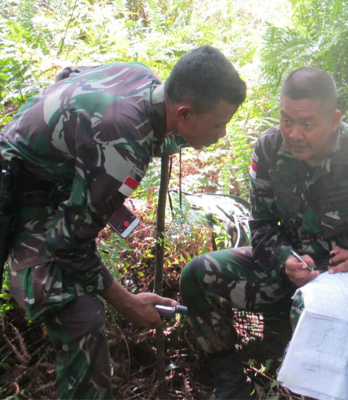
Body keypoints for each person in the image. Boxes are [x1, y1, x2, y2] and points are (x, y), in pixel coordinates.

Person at [0, 45, 247, 399]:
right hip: (19, 184)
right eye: (220, 124)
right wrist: (126, 301)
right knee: (81, 319)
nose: (222, 134)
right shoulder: (123, 151)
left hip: (45, 174)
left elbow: (69, 76)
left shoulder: (142, 77)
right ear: (185, 113)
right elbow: (67, 243)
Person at [179, 66, 348, 399]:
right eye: (286, 121)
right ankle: (230, 383)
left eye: (307, 124)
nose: (294, 134)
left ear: (334, 119)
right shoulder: (269, 150)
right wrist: (285, 260)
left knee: (310, 308)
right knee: (197, 274)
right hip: (290, 270)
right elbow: (263, 226)